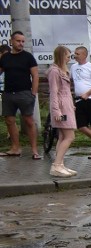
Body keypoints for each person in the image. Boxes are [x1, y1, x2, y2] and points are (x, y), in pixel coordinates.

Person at [0, 31, 40, 159]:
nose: (21, 43)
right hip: (8, 94)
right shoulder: (5, 57)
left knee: (29, 121)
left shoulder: (28, 57)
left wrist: (33, 93)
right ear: (11, 41)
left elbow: (35, 76)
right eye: (18, 41)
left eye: (23, 41)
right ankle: (15, 148)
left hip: (25, 93)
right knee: (9, 120)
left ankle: (34, 150)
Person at [47, 46, 78, 177]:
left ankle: (60, 164)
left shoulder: (62, 71)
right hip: (61, 108)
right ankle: (56, 165)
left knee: (62, 136)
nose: (69, 58)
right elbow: (54, 93)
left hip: (66, 106)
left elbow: (65, 92)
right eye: (67, 55)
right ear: (61, 56)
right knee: (70, 136)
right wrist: (56, 111)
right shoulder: (55, 72)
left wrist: (71, 105)